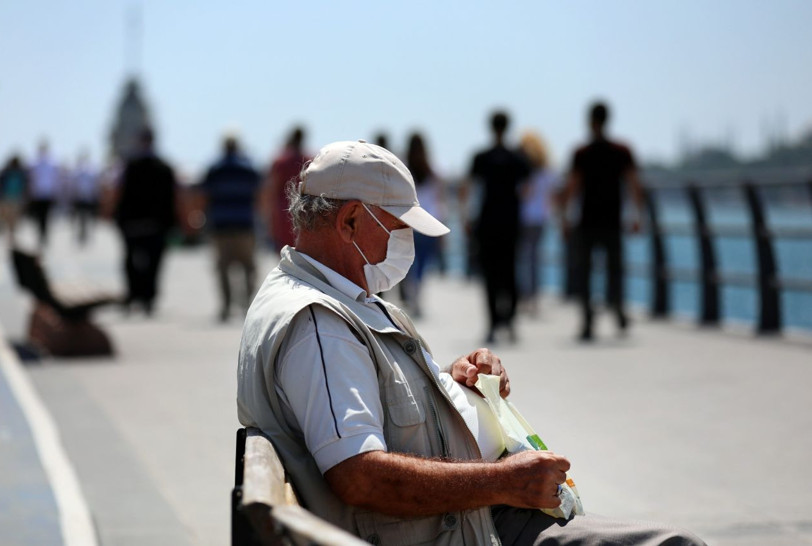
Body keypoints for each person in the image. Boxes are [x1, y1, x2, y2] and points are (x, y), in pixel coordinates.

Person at [237, 139, 704, 546]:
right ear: (351, 221)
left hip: (469, 517)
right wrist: (505, 482)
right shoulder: (320, 325)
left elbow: (357, 397)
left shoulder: (332, 296)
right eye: (398, 227)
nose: (405, 241)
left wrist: (444, 381)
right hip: (467, 526)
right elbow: (359, 477)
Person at [558, 102, 644, 341]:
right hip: (613, 222)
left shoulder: (582, 152)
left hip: (587, 222)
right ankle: (618, 310)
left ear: (589, 121)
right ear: (608, 120)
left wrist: (564, 218)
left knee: (585, 274)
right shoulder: (622, 150)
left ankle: (588, 322)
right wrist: (638, 215)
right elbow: (634, 184)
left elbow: (572, 187)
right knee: (615, 271)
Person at [465, 111, 531, 343]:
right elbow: (528, 189)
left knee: (490, 275)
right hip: (511, 222)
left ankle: (493, 324)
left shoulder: (481, 157)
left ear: (491, 127)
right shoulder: (518, 158)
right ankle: (510, 320)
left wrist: (466, 218)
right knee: (511, 273)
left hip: (487, 222)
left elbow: (470, 189)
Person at [197, 133, 262, 321]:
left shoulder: (215, 169)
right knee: (248, 267)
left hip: (221, 224)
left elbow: (203, 195)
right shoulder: (248, 168)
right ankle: (247, 304)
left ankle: (226, 306)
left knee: (223, 267)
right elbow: (260, 193)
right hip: (244, 224)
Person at [114, 128, 178, 315]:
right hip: (156, 224)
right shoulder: (164, 167)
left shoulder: (129, 166)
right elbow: (173, 197)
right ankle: (148, 297)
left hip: (132, 223)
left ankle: (135, 294)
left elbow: (118, 193)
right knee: (153, 263)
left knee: (132, 261)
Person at [400, 132, 445, 317]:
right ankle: (417, 295)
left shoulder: (403, 170)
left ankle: (412, 294)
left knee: (410, 264)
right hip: (429, 223)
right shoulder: (432, 172)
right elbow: (439, 202)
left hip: (409, 222)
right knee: (423, 265)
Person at [517, 131, 558, 317]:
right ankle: (533, 298)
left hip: (523, 218)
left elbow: (523, 194)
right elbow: (553, 195)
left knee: (522, 259)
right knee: (534, 260)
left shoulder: (526, 172)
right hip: (540, 219)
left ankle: (525, 297)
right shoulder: (547, 172)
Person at [261, 126, 312, 253]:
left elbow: (271, 190)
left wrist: (267, 216)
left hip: (283, 211)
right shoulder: (309, 160)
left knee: (283, 252)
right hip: (305, 210)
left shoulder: (280, 161)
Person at [29, 140, 61, 247]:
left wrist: (55, 192)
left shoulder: (51, 163)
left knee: (45, 216)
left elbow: (54, 180)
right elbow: (32, 180)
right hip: (39, 194)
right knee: (40, 216)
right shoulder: (36, 163)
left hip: (46, 194)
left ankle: (44, 235)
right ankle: (41, 235)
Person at [0, 154, 29, 244]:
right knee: (9, 220)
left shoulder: (13, 173)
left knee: (10, 220)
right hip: (10, 199)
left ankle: (10, 236)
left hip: (11, 199)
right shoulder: (10, 173)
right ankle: (9, 236)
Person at [70, 151, 101, 245]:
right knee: (81, 217)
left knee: (85, 217)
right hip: (81, 197)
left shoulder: (90, 171)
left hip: (87, 197)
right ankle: (82, 232)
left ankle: (84, 233)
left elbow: (94, 185)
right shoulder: (79, 171)